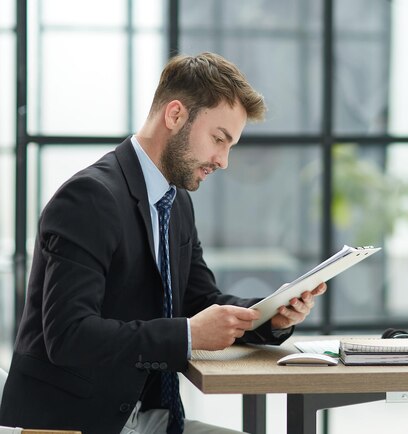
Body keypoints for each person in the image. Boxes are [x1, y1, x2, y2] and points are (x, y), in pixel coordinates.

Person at [0, 52, 326, 434]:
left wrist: (272, 314)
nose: (223, 161)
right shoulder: (89, 198)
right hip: (78, 423)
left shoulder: (175, 201)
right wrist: (186, 334)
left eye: (230, 146)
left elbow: (200, 301)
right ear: (175, 116)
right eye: (219, 139)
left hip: (148, 418)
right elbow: (69, 336)